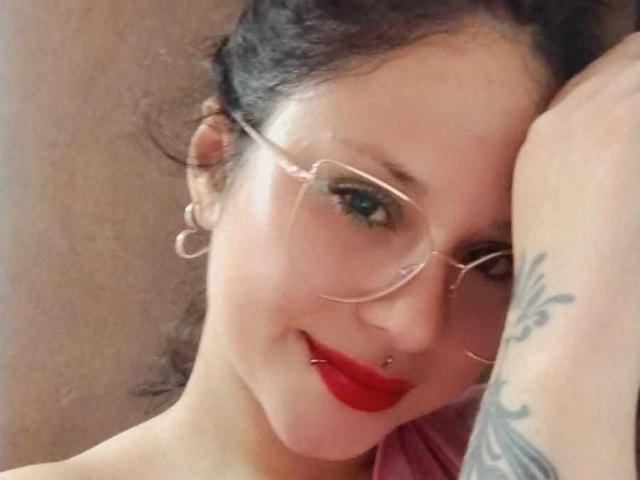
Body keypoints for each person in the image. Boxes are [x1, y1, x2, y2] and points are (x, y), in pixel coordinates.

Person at [2, 1, 638, 479]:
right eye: (364, 204)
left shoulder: (588, 435)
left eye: (492, 263)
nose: (413, 327)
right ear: (214, 163)